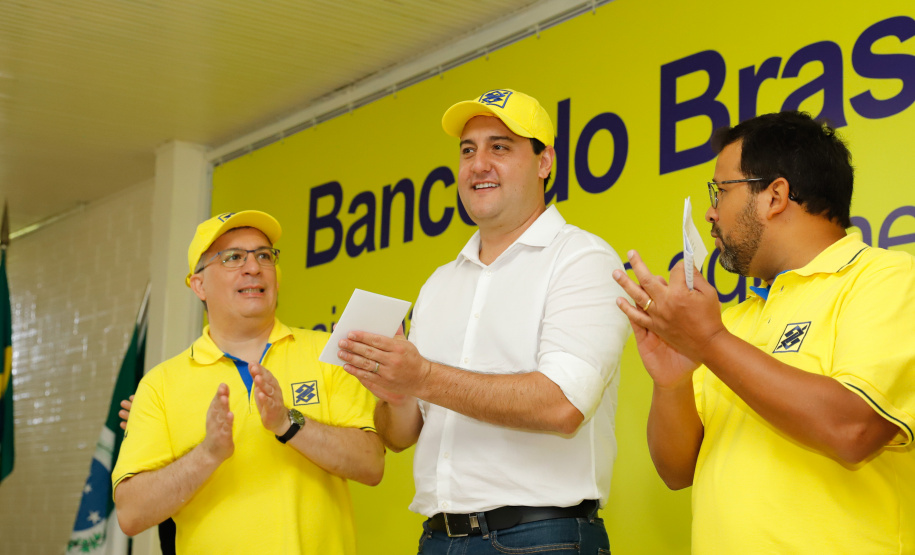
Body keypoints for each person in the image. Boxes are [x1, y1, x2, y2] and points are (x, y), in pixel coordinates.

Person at [337, 88, 630, 554]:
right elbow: (400, 437)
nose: (479, 164)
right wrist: (397, 395)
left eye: (500, 147)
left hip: (541, 539)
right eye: (468, 150)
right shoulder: (438, 284)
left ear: (544, 162)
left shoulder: (583, 259)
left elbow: (561, 406)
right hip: (438, 540)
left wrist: (423, 376)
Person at [614, 111, 915, 553]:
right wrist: (673, 381)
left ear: (775, 195)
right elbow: (676, 471)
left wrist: (709, 343)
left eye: (721, 190)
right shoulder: (733, 321)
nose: (710, 212)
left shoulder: (886, 278)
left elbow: (853, 428)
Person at [112, 210, 384, 554]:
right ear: (198, 285)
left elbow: (371, 464)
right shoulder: (159, 385)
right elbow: (131, 513)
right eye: (233, 257)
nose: (253, 267)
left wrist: (288, 422)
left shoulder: (328, 354)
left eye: (264, 255)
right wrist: (208, 453)